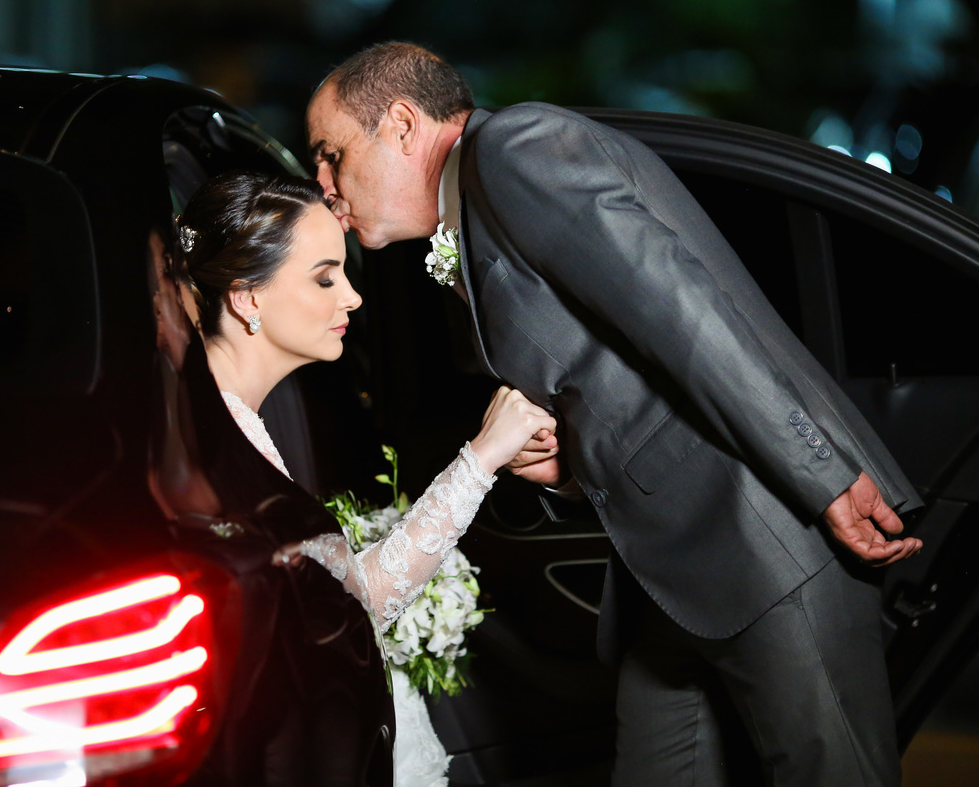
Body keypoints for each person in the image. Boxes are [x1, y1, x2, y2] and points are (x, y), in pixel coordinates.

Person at [305, 41, 925, 787]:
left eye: (331, 155)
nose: (323, 184)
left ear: (403, 125)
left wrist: (822, 473)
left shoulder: (515, 150)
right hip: (672, 576)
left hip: (768, 532)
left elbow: (687, 319)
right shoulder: (474, 212)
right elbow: (623, 373)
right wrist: (566, 468)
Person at [169, 170, 558, 787]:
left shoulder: (216, 415)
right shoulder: (227, 438)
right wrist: (482, 458)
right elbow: (358, 603)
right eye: (325, 278)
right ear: (247, 299)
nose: (352, 297)